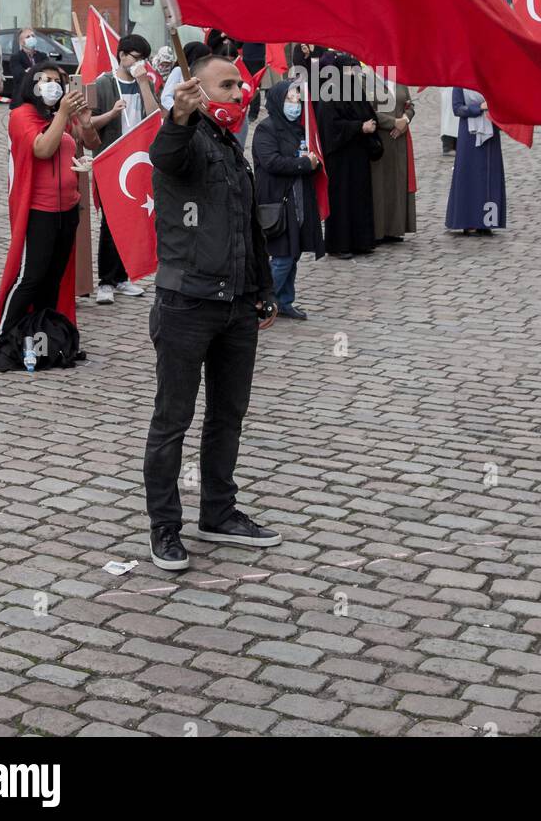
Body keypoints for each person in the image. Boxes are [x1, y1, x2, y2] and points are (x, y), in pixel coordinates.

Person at [143, 49, 280, 570]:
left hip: (237, 305)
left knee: (228, 416)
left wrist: (262, 288)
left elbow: (248, 226)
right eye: (226, 86)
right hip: (186, 303)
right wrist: (178, 116)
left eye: (240, 87)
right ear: (198, 92)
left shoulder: (230, 144)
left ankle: (219, 513)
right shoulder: (186, 137)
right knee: (172, 419)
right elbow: (167, 155)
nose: (238, 94)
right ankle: (164, 528)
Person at [0, 62, 99, 355]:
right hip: (40, 210)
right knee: (32, 276)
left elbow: (90, 143)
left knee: (55, 278)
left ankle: (43, 335)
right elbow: (42, 149)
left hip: (68, 210)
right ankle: (5, 335)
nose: (53, 85)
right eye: (47, 79)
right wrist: (63, 113)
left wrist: (86, 122)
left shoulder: (59, 117)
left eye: (58, 81)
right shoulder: (21, 115)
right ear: (32, 83)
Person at [90, 34, 159, 304]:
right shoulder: (104, 83)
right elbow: (87, 123)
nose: (139, 63)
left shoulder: (146, 82)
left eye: (144, 59)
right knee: (111, 223)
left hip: (138, 160)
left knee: (132, 221)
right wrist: (111, 114)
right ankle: (105, 281)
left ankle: (122, 277)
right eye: (136, 57)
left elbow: (155, 115)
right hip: (111, 160)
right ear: (122, 55)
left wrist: (143, 81)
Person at [252, 79, 325, 319]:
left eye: (297, 100)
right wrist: (305, 163)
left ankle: (284, 301)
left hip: (297, 198)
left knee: (292, 254)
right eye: (290, 100)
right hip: (277, 200)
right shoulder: (267, 129)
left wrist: (311, 162)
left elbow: (306, 158)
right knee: (283, 256)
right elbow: (271, 162)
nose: (295, 105)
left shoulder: (298, 128)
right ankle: (261, 302)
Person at [316, 52, 379, 260]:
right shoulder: (330, 92)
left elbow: (368, 112)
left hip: (358, 154)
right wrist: (359, 127)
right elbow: (330, 125)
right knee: (341, 200)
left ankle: (361, 241)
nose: (353, 73)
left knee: (359, 197)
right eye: (349, 69)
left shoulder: (356, 90)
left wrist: (370, 124)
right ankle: (339, 244)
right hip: (340, 156)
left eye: (354, 69)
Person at [445, 89, 506, 235]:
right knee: (469, 176)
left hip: (491, 132)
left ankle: (487, 221)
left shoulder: (490, 79)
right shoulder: (460, 82)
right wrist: (479, 108)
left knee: (489, 177)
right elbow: (457, 108)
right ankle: (468, 221)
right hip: (469, 135)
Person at [370, 73, 416, 242]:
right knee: (380, 186)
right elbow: (367, 110)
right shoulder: (367, 81)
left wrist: (405, 120)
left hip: (399, 140)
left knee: (397, 183)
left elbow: (410, 106)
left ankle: (395, 228)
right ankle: (379, 230)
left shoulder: (400, 79)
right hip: (380, 140)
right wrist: (393, 122)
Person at [160, 41, 208, 111]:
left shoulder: (202, 73)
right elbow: (165, 97)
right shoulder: (179, 70)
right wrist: (179, 112)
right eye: (205, 58)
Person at [9, 28, 44, 110]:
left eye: (33, 36)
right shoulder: (16, 57)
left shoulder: (42, 56)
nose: (31, 38)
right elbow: (19, 76)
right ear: (21, 42)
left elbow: (46, 73)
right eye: (28, 37)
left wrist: (29, 71)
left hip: (39, 98)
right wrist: (37, 72)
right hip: (22, 99)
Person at [440, 87, 460, 157]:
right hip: (450, 87)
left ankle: (456, 145)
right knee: (449, 116)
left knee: (455, 118)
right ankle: (448, 146)